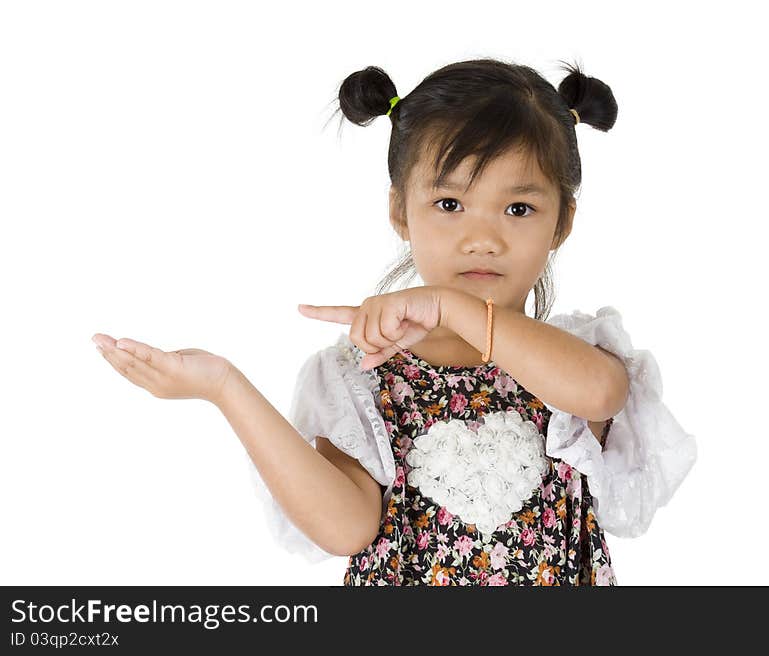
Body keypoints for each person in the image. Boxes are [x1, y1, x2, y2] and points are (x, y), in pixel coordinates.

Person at [92, 57, 697, 586]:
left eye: (519, 207)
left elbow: (598, 391)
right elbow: (346, 528)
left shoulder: (577, 354)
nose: (482, 238)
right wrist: (224, 387)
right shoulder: (364, 371)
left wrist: (451, 307)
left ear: (562, 222)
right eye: (449, 204)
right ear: (399, 211)